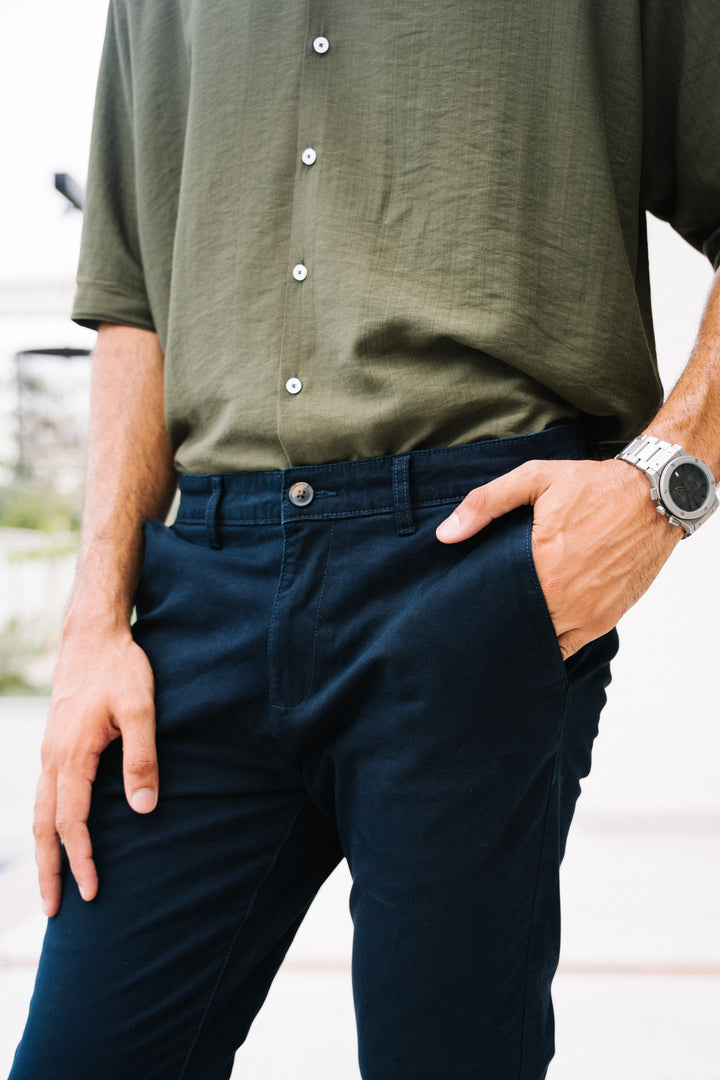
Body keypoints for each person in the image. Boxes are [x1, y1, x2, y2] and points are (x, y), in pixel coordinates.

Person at [10, 3, 720, 1078]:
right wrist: (94, 621)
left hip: (473, 563)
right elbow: (134, 299)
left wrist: (665, 484)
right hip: (199, 582)